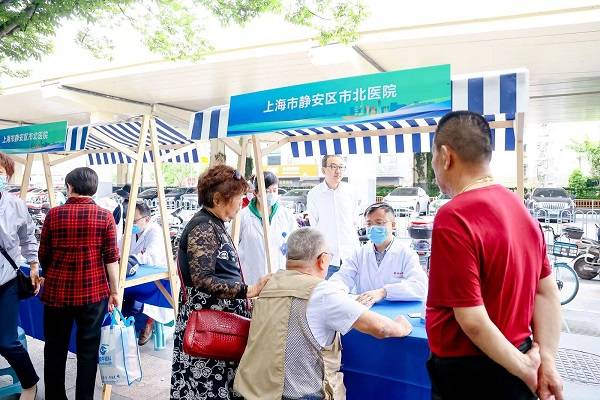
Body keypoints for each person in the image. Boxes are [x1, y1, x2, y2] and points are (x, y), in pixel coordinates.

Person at [426, 111, 564, 400]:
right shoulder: (522, 210)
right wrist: (546, 360)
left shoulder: (454, 215)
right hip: (518, 358)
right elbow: (546, 292)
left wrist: (525, 369)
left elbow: (473, 320)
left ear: (445, 155)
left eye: (433, 160)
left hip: (472, 375)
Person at [234, 227, 413, 400]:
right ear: (322, 260)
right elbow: (380, 328)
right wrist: (401, 326)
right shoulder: (320, 292)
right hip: (297, 395)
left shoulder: (267, 284)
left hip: (251, 391)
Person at [171, 165, 271, 400]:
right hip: (208, 327)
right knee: (206, 389)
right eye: (238, 198)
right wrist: (250, 290)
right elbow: (203, 279)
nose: (242, 203)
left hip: (219, 325)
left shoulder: (215, 224)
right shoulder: (203, 226)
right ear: (218, 199)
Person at [39, 167, 120, 400]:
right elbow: (111, 259)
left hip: (57, 294)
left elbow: (43, 254)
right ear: (93, 189)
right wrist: (114, 291)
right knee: (88, 351)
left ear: (70, 187)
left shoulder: (53, 215)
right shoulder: (105, 216)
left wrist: (50, 270)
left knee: (55, 349)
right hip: (93, 295)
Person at [330, 202, 427, 306]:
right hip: (365, 312)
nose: (373, 227)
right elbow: (342, 277)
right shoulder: (359, 254)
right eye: (369, 224)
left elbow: (420, 287)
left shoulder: (406, 254)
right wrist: (335, 290)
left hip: (395, 311)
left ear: (393, 225)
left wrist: (383, 292)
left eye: (379, 222)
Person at [0, 152, 41, 400]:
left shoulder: (16, 205)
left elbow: (28, 238)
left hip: (7, 281)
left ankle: (29, 382)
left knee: (6, 341)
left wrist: (34, 266)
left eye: (0, 173)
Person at [119, 200, 168, 346]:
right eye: (128, 220)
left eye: (134, 220)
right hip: (134, 274)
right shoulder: (130, 232)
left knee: (142, 298)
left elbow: (151, 257)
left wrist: (131, 259)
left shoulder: (155, 231)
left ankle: (148, 322)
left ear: (146, 219)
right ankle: (124, 326)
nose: (130, 224)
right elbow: (118, 250)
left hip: (154, 277)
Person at [238, 172, 298, 284]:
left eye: (274, 190)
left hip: (280, 278)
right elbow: (233, 245)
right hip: (251, 279)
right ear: (256, 192)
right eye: (266, 191)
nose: (271, 195)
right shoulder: (242, 217)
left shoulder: (286, 215)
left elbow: (296, 245)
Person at [307, 155, 359, 278]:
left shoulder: (351, 192)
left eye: (341, 167)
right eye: (333, 166)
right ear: (323, 169)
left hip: (350, 256)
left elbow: (354, 221)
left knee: (351, 295)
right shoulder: (314, 194)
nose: (338, 171)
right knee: (328, 294)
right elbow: (314, 225)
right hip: (327, 258)